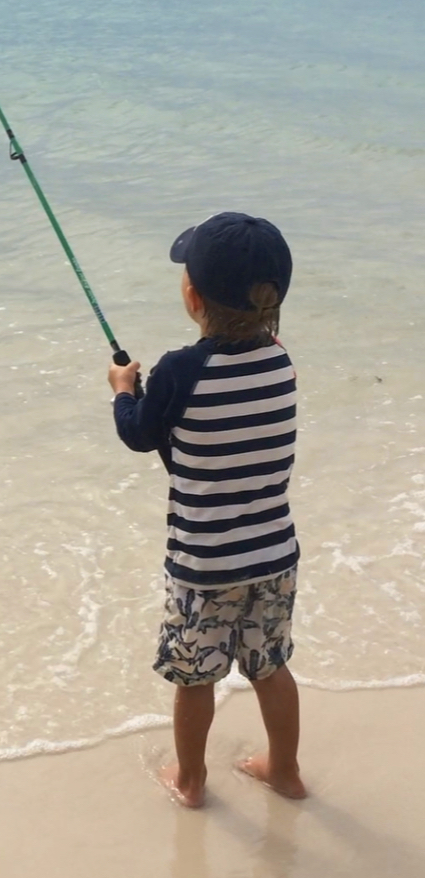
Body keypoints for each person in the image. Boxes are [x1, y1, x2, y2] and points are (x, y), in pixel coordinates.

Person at [108, 211, 306, 808]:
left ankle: (191, 781)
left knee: (195, 679)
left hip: (204, 565)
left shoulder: (178, 371)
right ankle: (285, 770)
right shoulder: (279, 360)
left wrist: (124, 389)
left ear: (192, 295)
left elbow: (142, 435)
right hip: (274, 556)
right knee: (270, 667)